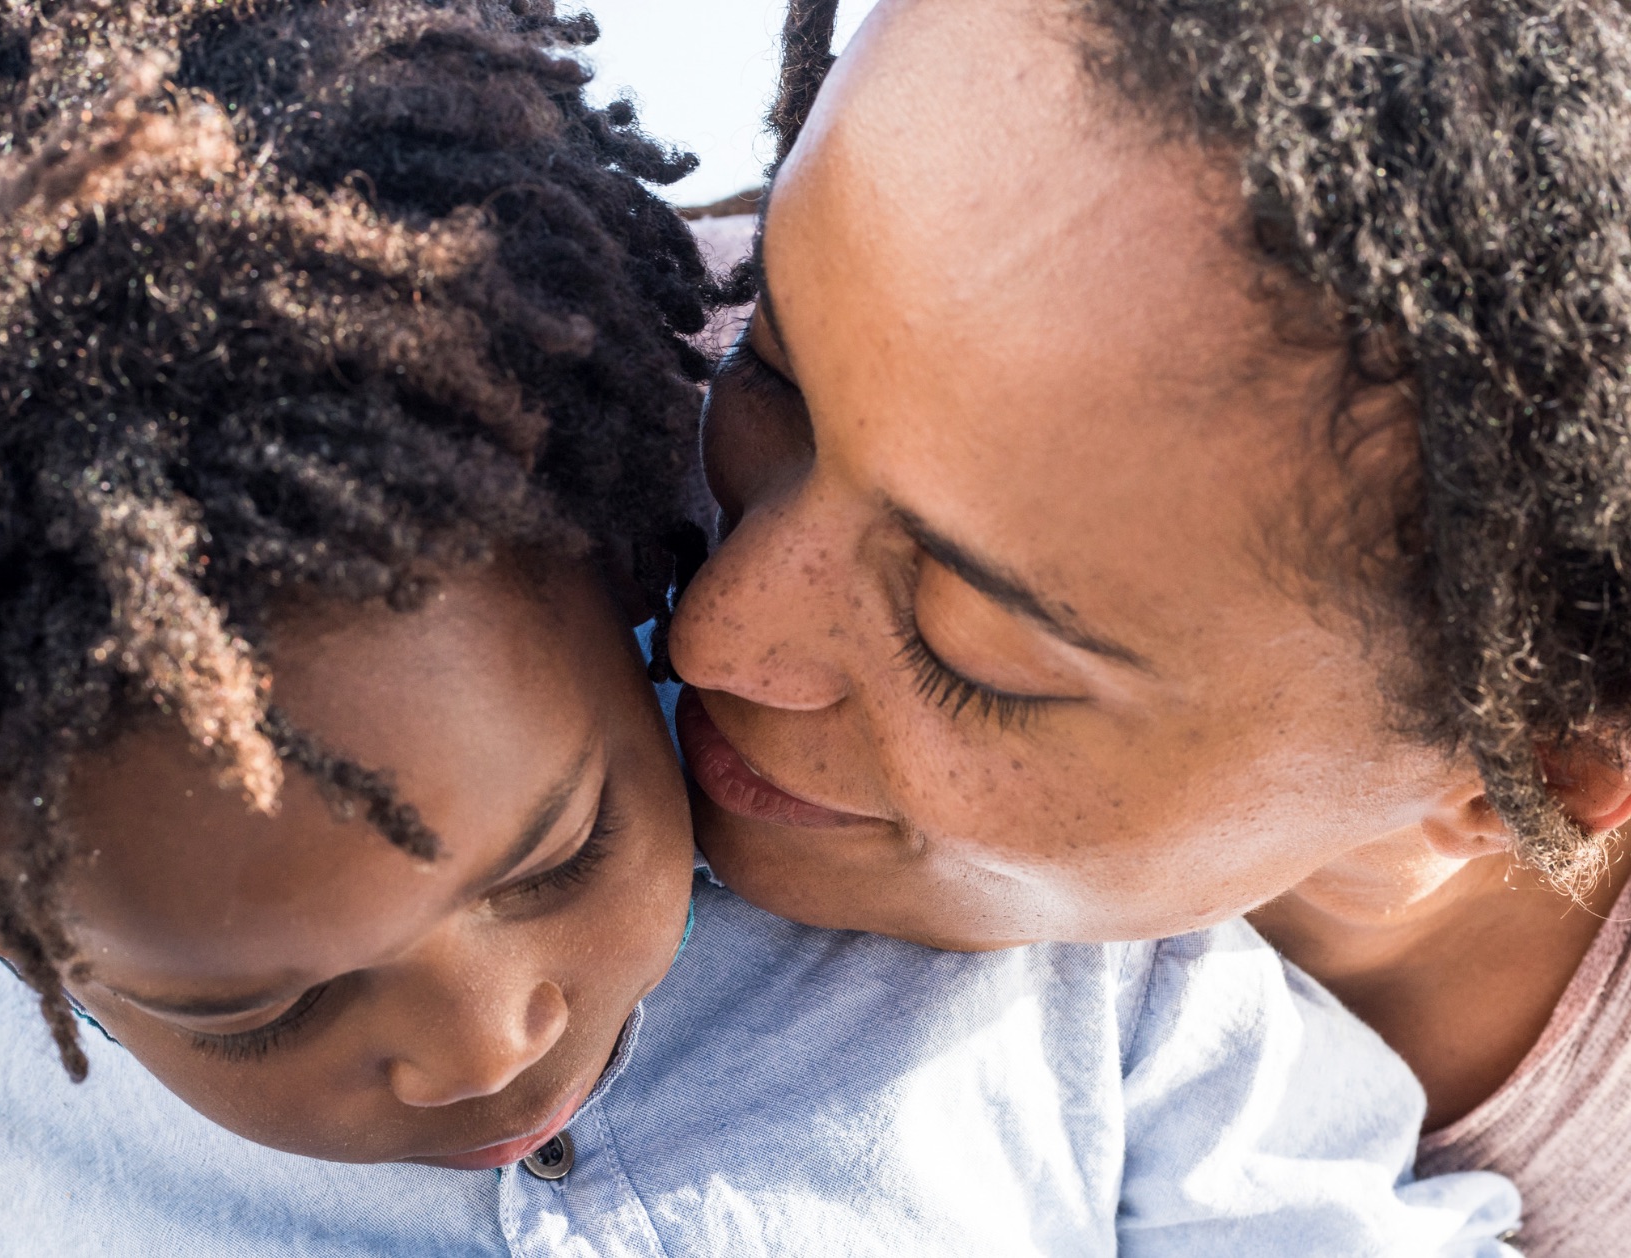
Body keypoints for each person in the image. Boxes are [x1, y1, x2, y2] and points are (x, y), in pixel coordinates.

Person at [0, 0, 1520, 1253]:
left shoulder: (1020, 940)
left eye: (560, 847)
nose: (486, 1033)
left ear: (627, 547)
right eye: (258, 1004)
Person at [668, 0, 1631, 1249]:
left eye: (970, 645)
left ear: (1531, 777)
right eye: (774, 371)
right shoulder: (511, 433)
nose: (709, 633)